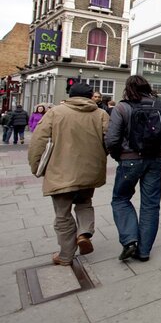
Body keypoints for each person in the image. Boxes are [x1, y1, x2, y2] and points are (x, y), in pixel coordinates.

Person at [27, 82, 110, 265]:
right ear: (90, 97)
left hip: (60, 172)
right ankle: (84, 234)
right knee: (84, 203)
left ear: (70, 95)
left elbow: (38, 142)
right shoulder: (101, 114)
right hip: (90, 171)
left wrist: (36, 167)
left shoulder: (55, 112)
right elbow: (109, 141)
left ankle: (65, 255)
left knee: (62, 214)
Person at [106, 75, 161, 262]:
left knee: (120, 199)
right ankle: (144, 251)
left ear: (127, 89)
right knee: (151, 205)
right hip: (155, 161)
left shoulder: (122, 108)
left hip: (129, 161)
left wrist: (118, 155)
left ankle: (129, 240)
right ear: (148, 87)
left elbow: (112, 139)